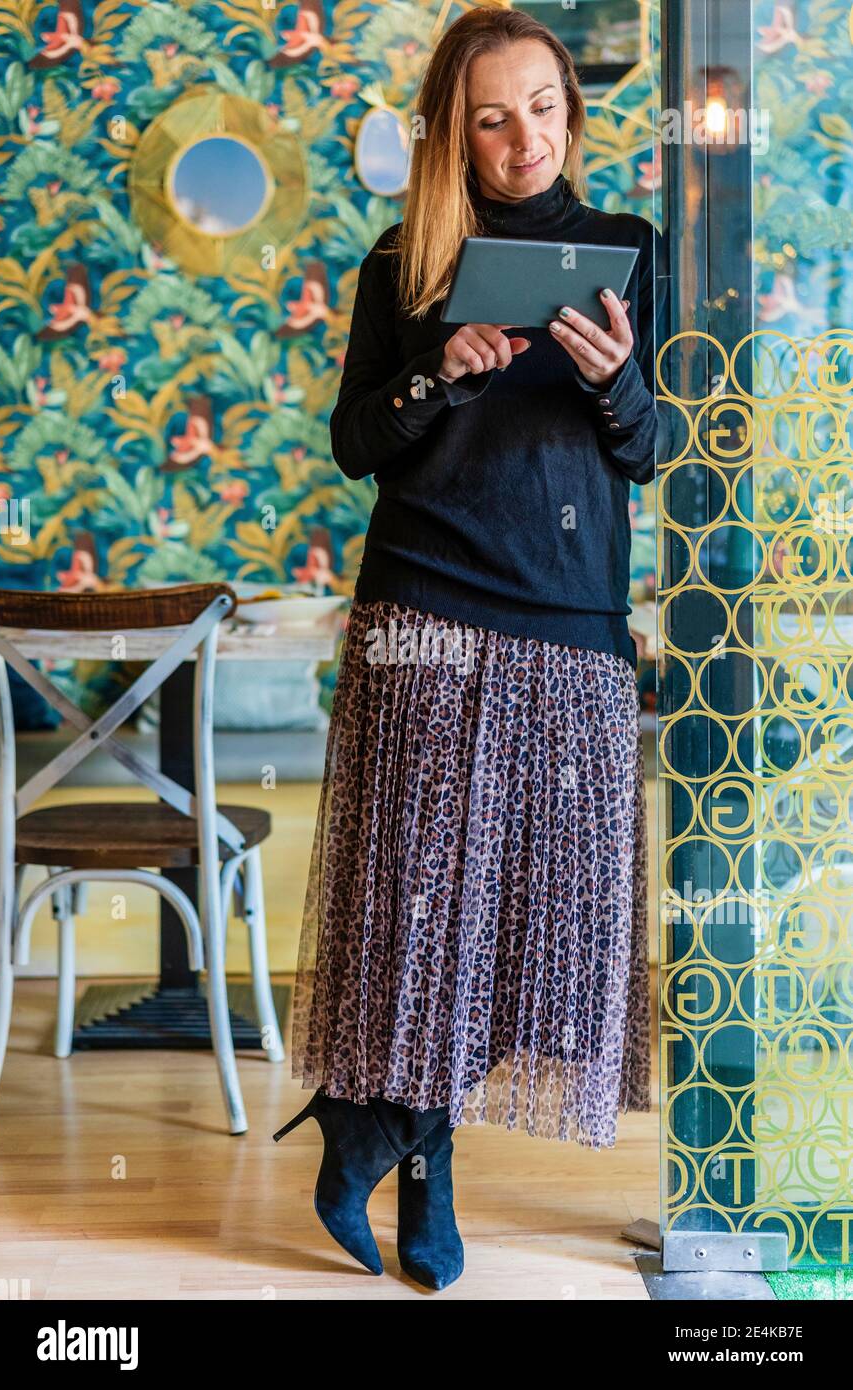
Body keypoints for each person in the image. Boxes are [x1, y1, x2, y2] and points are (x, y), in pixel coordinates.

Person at [274, 5, 664, 1292]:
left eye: (542, 107)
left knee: (535, 928)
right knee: (419, 920)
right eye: (491, 116)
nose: (521, 139)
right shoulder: (404, 259)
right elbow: (353, 446)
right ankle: (424, 1180)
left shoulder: (623, 249)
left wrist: (613, 382)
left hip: (568, 616)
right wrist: (436, 374)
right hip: (423, 610)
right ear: (454, 129)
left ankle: (369, 1120)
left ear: (572, 109)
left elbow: (646, 449)